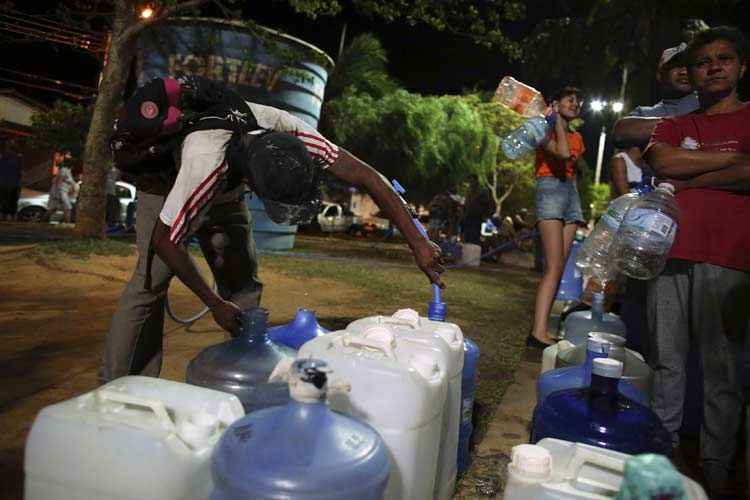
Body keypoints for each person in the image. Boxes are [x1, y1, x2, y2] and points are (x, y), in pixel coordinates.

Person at [100, 75, 443, 383]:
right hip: (166, 190)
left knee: (244, 288)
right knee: (148, 288)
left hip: (228, 192)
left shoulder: (285, 129)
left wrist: (418, 242)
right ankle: (119, 388)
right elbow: (165, 242)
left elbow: (365, 174)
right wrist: (215, 303)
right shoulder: (206, 160)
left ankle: (240, 380)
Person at [644, 26, 750, 498]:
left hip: (730, 259)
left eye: (723, 58)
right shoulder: (675, 124)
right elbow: (662, 163)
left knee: (721, 373)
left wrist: (693, 175)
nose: (713, 67)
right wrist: (726, 167)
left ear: (741, 66)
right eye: (703, 61)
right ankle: (661, 456)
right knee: (667, 362)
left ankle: (717, 467)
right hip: (671, 254)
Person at [612, 43, 701, 359]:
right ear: (661, 73)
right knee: (640, 318)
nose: (683, 71)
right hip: (652, 228)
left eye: (690, 65)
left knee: (691, 329)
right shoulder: (649, 112)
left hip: (697, 224)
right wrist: (690, 129)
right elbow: (623, 129)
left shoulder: (710, 104)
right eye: (675, 65)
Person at [527, 86, 585, 348]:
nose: (576, 104)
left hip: (570, 192)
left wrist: (560, 122)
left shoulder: (579, 138)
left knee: (560, 268)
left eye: (578, 101)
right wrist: (554, 121)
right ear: (555, 102)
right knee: (552, 266)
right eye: (570, 99)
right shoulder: (541, 132)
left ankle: (542, 329)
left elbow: (569, 157)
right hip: (549, 187)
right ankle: (537, 332)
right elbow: (561, 154)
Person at [0, 140, 23, 222]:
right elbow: (20, 171)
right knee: (13, 202)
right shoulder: (19, 157)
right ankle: (12, 218)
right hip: (15, 183)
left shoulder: (2, 156)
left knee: (4, 201)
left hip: (4, 182)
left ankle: (4, 217)